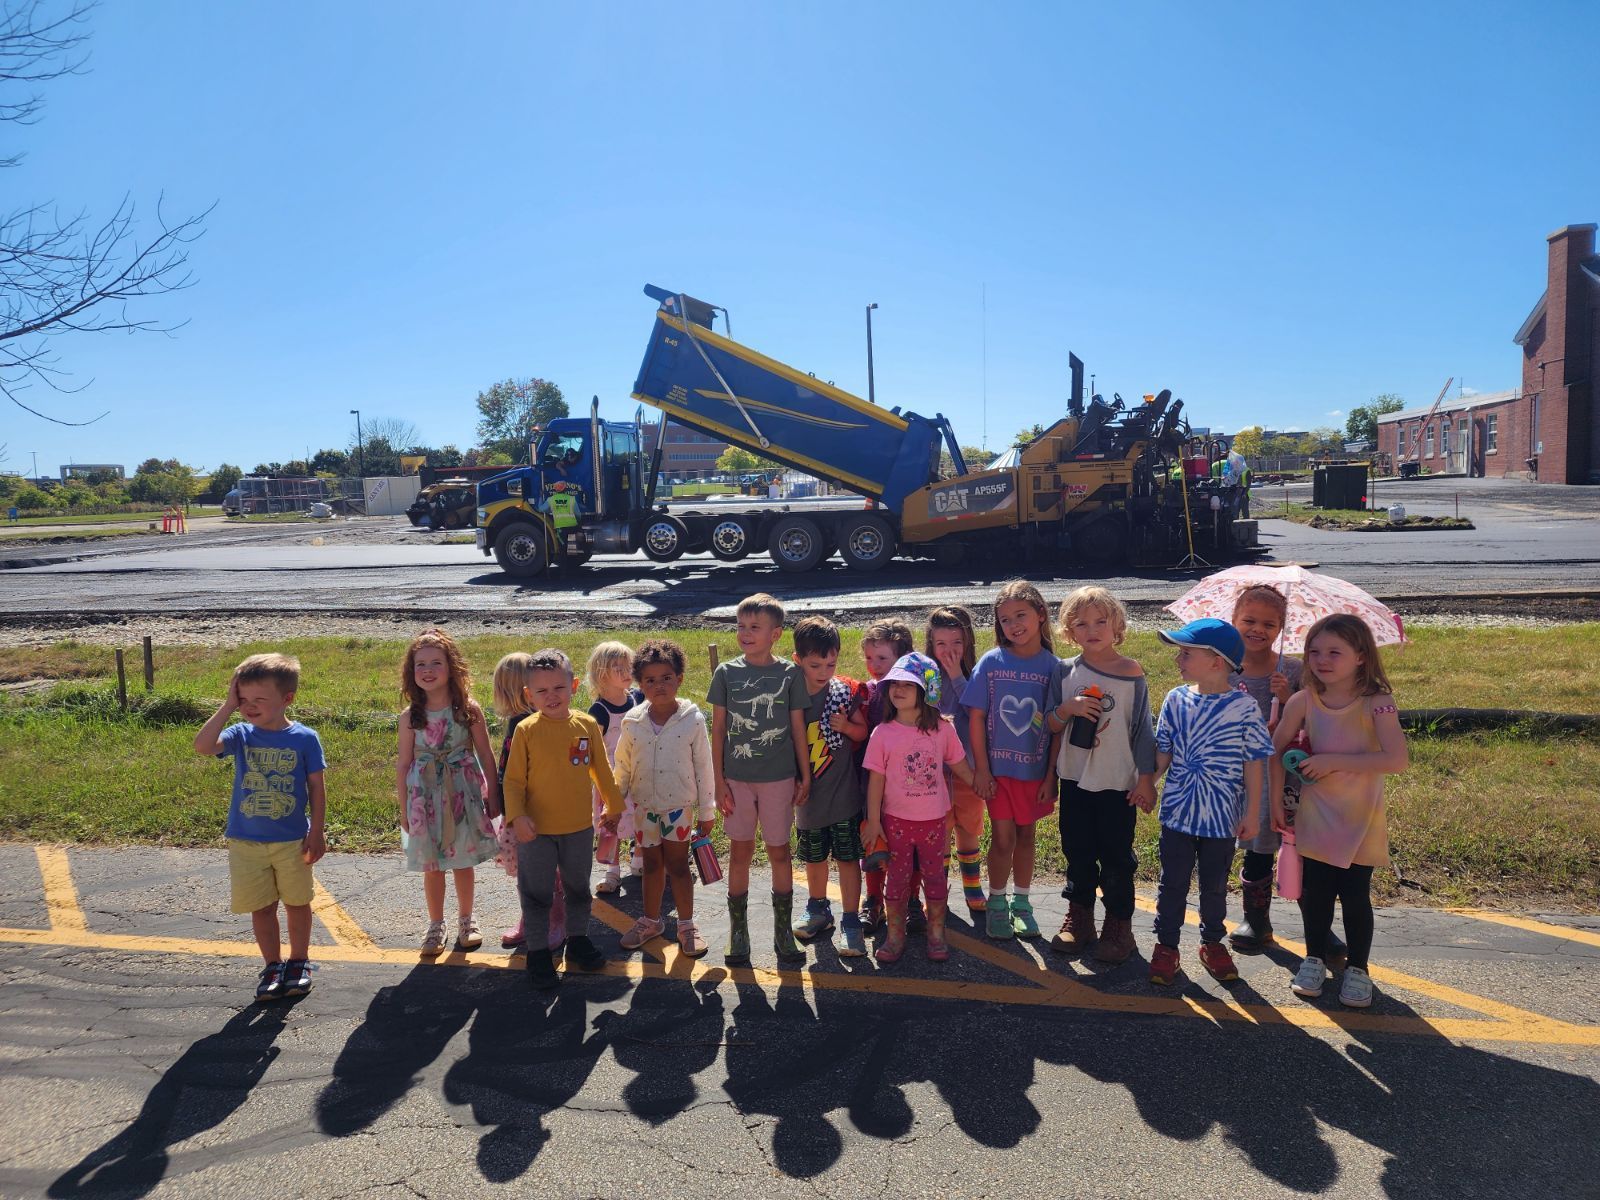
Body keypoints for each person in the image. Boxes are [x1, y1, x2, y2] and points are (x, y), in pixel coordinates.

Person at [1273, 614, 1409, 1008]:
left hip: (1360, 818)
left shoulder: (1378, 704)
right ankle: (1313, 959)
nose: (1322, 659)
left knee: (1354, 895)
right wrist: (1278, 796)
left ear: (1362, 656)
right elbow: (1275, 750)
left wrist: (1332, 760)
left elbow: (1396, 760)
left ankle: (1358, 968)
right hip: (1315, 813)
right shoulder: (1302, 700)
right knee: (1315, 894)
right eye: (1314, 651)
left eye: (1335, 652)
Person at [194, 653, 327, 1001]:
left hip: (291, 840)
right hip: (246, 842)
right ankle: (272, 965)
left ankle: (299, 962)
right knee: (262, 907)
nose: (250, 707)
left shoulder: (304, 738)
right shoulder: (240, 734)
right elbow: (203, 747)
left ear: (287, 699)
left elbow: (316, 786)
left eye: (259, 700)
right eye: (244, 700)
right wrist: (227, 706)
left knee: (297, 903)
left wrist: (318, 831)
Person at [1149, 618, 1270, 986]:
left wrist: (1251, 813)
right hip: (1178, 816)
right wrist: (1146, 783)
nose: (1178, 660)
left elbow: (1254, 764)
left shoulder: (1245, 708)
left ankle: (1211, 942)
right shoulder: (1176, 698)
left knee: (1214, 886)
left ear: (1217, 661)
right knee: (1172, 884)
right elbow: (1163, 752)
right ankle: (1166, 946)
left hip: (1221, 820)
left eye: (1186, 653)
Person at [1225, 585, 1338, 960]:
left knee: (1300, 846)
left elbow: (1319, 722)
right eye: (1249, 621)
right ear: (1234, 620)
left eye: (1269, 624)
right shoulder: (1222, 668)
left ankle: (1318, 926)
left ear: (1281, 628)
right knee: (1257, 847)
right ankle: (1256, 919)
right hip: (1245, 777)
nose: (1258, 629)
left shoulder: (1293, 671)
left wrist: (1289, 699)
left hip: (1289, 778)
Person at [1045, 587, 1156, 964]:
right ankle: (1079, 918)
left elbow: (1143, 730)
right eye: (1081, 623)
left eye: (1100, 621)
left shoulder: (1131, 672)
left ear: (1117, 626)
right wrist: (1068, 707)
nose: (1092, 629)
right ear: (1069, 631)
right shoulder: (1064, 671)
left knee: (1116, 857)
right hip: (1075, 778)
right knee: (1077, 851)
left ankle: (1118, 925)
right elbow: (1050, 724)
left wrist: (1146, 779)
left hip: (1116, 782)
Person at [503, 647, 624, 989]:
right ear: (529, 695)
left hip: (578, 829)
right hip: (536, 833)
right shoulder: (525, 730)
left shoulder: (586, 725)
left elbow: (602, 769)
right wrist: (518, 816)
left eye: (558, 687)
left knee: (578, 890)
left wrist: (613, 807)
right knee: (537, 894)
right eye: (541, 691)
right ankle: (539, 952)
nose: (551, 696)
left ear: (573, 686)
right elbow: (512, 782)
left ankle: (578, 940)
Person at [708, 593, 812, 964]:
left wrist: (805, 774)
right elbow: (718, 730)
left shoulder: (789, 674)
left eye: (755, 627)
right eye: (741, 626)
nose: (745, 633)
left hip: (780, 778)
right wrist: (718, 782)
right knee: (740, 851)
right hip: (737, 779)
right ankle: (739, 933)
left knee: (779, 852)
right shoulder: (726, 673)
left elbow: (798, 729)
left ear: (776, 634)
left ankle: (783, 932)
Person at [962, 580, 1064, 940]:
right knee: (1003, 839)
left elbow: (1056, 727)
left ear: (1040, 615)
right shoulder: (992, 662)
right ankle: (996, 902)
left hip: (1035, 773)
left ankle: (1022, 904)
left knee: (1027, 836)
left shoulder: (1054, 668)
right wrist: (981, 769)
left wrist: (1051, 775)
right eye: (1005, 620)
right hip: (997, 774)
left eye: (1020, 615)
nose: (1013, 625)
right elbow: (975, 717)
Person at [861, 652, 975, 963]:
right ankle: (895, 935)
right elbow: (875, 781)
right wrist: (873, 821)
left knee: (934, 875)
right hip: (895, 821)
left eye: (907, 685)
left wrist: (980, 784)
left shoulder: (942, 728)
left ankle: (936, 934)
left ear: (926, 692)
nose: (898, 689)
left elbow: (959, 764)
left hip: (934, 821)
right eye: (894, 683)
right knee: (896, 877)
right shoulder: (883, 732)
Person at [396, 630, 501, 956]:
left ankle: (467, 919)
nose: (428, 670)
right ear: (412, 672)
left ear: (452, 668)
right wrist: (403, 809)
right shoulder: (410, 717)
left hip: (462, 794)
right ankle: (435, 923)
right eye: (420, 664)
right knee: (432, 864)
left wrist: (494, 794)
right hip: (424, 797)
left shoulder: (467, 709)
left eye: (436, 663)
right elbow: (403, 765)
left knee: (462, 859)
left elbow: (485, 754)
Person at [612, 639, 716, 958]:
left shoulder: (692, 720)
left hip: (679, 810)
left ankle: (686, 925)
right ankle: (651, 921)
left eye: (666, 678)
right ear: (640, 684)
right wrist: (614, 804)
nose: (659, 685)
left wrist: (707, 809)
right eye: (650, 680)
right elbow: (623, 767)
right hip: (646, 809)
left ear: (680, 679)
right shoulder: (632, 722)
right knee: (651, 865)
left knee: (678, 866)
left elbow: (704, 765)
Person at [790, 615, 871, 956]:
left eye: (831, 663)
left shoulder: (843, 693)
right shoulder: (789, 695)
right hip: (807, 799)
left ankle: (851, 921)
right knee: (814, 859)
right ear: (797, 660)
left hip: (843, 797)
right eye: (815, 664)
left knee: (849, 858)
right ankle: (818, 909)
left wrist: (846, 727)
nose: (824, 671)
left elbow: (863, 732)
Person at [490, 653, 564, 953]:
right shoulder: (518, 722)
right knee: (527, 874)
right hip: (520, 811)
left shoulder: (530, 724)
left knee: (544, 873)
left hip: (534, 813)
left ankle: (556, 921)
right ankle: (532, 920)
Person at [924, 605, 987, 915]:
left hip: (969, 772)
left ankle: (973, 885)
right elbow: (926, 711)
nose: (949, 651)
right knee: (941, 831)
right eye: (941, 644)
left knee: (969, 828)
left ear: (968, 643)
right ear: (930, 645)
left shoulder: (976, 674)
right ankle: (939, 890)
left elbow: (976, 709)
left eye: (956, 643)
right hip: (934, 774)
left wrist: (957, 675)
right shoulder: (926, 676)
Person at [856, 618, 916, 933]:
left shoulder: (912, 693)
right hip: (873, 783)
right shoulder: (865, 692)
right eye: (869, 658)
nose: (874, 665)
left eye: (882, 658)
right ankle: (873, 901)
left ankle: (912, 902)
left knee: (910, 843)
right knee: (873, 841)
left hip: (908, 782)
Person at [586, 641, 644, 895]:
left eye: (628, 666)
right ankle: (612, 872)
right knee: (611, 825)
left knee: (641, 818)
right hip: (610, 776)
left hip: (638, 772)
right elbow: (592, 749)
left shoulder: (638, 699)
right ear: (601, 674)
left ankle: (640, 861)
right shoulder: (599, 710)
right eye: (617, 667)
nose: (625, 672)